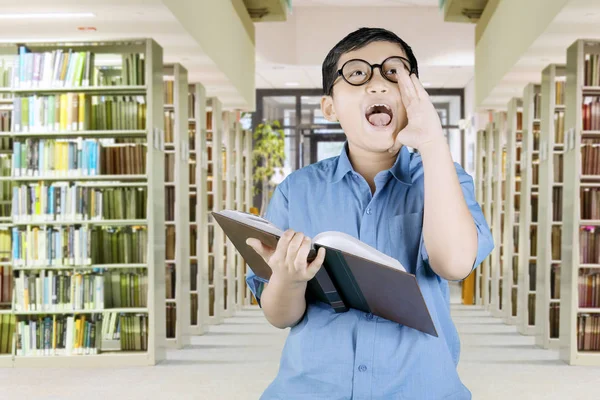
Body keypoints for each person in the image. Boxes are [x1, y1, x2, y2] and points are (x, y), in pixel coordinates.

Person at [245, 27, 494, 400]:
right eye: (357, 74)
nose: (377, 85)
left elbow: (455, 264)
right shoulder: (297, 190)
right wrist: (290, 280)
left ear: (414, 98)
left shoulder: (445, 177)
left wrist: (432, 143)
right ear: (329, 106)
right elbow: (280, 316)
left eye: (394, 72)